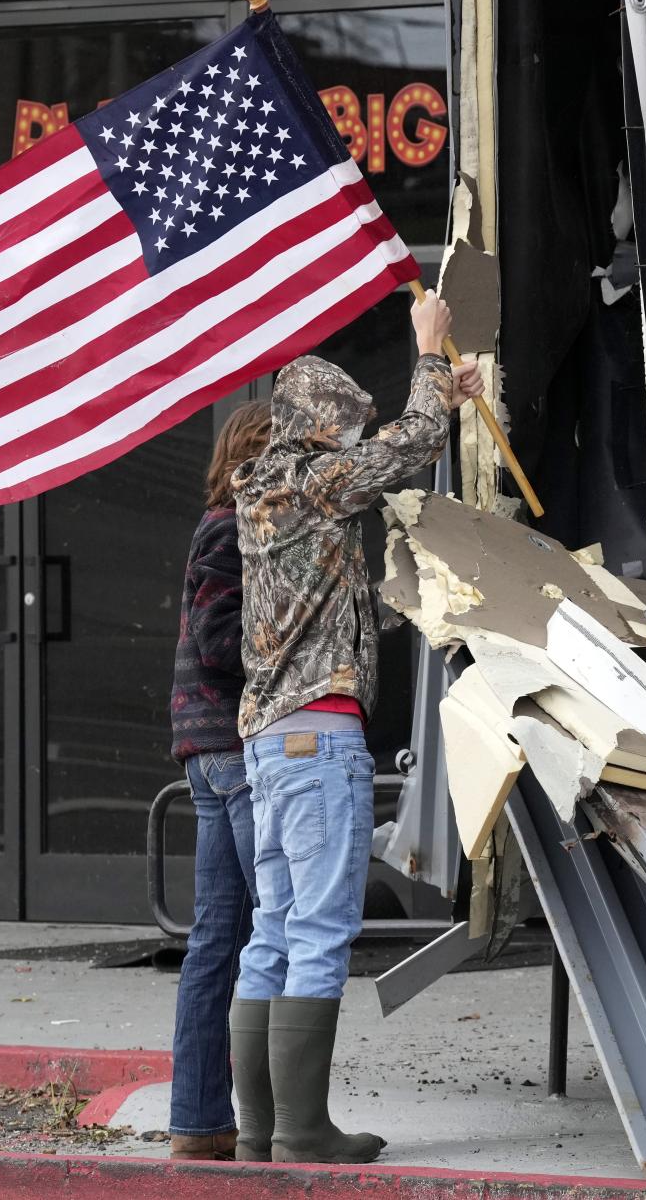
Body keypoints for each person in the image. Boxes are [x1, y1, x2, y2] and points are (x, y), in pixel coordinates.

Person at [227, 290, 482, 1165]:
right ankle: (302, 1130)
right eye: (345, 427)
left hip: (267, 740)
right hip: (316, 736)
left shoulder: (267, 490)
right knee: (321, 932)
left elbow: (399, 438)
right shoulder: (313, 481)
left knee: (274, 929)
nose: (351, 440)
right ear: (320, 427)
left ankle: (262, 1130)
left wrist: (441, 390)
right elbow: (405, 448)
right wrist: (431, 352)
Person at [166, 399, 272, 1161]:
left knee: (218, 942)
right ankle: (278, 1121)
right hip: (232, 750)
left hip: (209, 754)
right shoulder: (232, 527)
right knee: (272, 933)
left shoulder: (222, 526)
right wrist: (293, 647)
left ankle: (201, 1123)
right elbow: (218, 639)